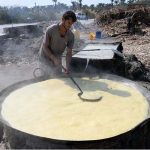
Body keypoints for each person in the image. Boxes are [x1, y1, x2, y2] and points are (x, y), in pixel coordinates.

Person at [39, 11, 77, 76]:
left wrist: (67, 67)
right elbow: (45, 46)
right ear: (63, 19)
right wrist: (53, 58)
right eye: (69, 23)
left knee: (58, 78)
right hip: (45, 57)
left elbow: (69, 53)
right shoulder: (51, 30)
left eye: (72, 24)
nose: (70, 25)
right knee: (45, 79)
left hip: (57, 58)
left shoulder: (71, 36)